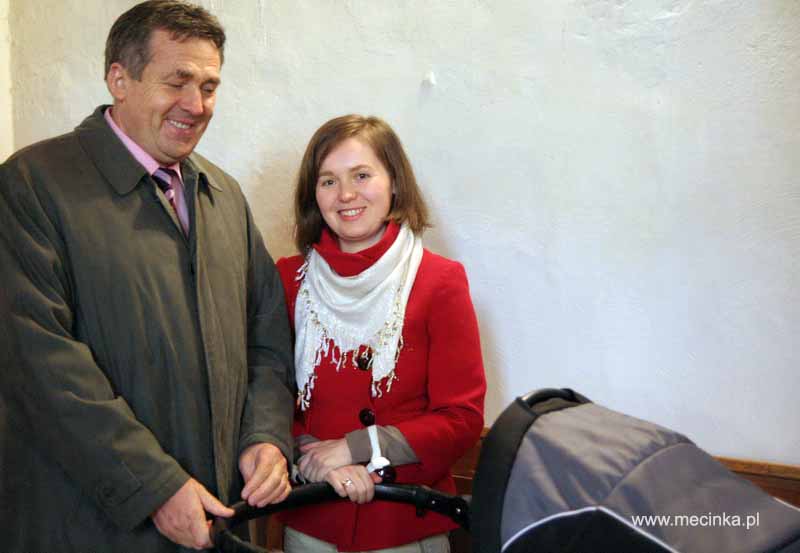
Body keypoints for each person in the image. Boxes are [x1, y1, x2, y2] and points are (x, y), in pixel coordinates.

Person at [0, 2, 295, 551]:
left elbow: (268, 339)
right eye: (177, 82)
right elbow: (38, 363)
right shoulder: (31, 185)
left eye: (209, 86)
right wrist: (155, 487)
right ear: (120, 79)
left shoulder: (225, 196)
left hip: (217, 518)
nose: (196, 105)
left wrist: (266, 437)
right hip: (88, 527)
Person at [275, 115, 486, 553]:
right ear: (313, 195)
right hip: (313, 518)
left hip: (404, 521)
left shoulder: (440, 281)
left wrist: (356, 448)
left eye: (362, 175)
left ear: (394, 183)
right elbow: (266, 393)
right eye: (328, 181)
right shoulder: (288, 279)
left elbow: (461, 418)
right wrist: (315, 459)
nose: (345, 194)